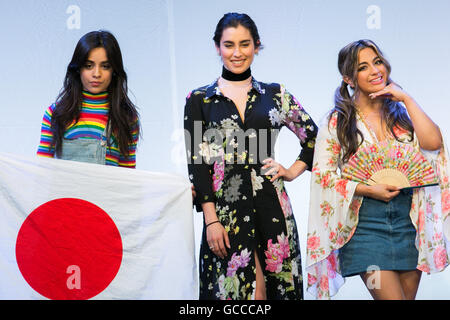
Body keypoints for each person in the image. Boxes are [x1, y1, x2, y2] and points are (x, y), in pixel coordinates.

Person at [184, 12, 318, 300]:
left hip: (272, 205)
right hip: (225, 213)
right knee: (235, 295)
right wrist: (210, 220)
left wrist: (293, 171)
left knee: (274, 292)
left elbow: (316, 138)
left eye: (245, 44)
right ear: (217, 47)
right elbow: (196, 162)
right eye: (229, 44)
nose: (237, 53)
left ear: (257, 46)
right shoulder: (199, 99)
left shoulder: (275, 94)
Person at [306, 39, 450, 300]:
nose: (375, 70)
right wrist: (368, 189)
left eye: (378, 62)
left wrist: (406, 97)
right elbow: (323, 177)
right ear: (349, 78)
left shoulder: (402, 116)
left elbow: (434, 144)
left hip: (408, 224)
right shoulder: (338, 122)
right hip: (365, 227)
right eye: (363, 67)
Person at [37, 30, 140, 167]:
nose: (96, 74)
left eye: (105, 66)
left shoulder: (126, 117)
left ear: (114, 70)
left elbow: (127, 176)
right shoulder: (56, 113)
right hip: (64, 189)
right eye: (89, 66)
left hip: (107, 189)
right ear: (78, 68)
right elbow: (42, 169)